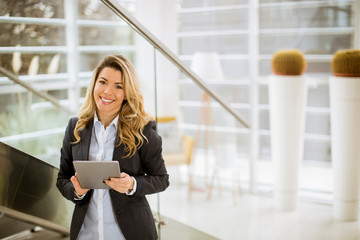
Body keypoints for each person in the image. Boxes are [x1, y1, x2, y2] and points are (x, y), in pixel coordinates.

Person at [56, 55, 169, 240]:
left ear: (127, 93)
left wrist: (132, 184)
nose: (107, 91)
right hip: (86, 233)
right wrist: (76, 190)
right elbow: (62, 179)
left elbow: (162, 179)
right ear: (94, 84)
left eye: (119, 86)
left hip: (129, 234)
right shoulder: (75, 128)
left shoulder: (143, 130)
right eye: (103, 82)